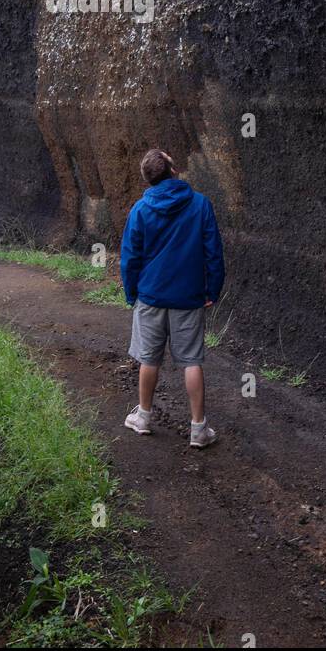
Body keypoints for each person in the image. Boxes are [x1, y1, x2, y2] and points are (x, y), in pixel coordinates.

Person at [119, 148, 225, 448]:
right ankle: (198, 430)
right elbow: (213, 253)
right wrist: (212, 290)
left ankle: (143, 417)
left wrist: (132, 294)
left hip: (150, 296)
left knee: (149, 359)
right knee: (191, 361)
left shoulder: (140, 209)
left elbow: (129, 258)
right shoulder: (200, 205)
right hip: (189, 297)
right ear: (172, 170)